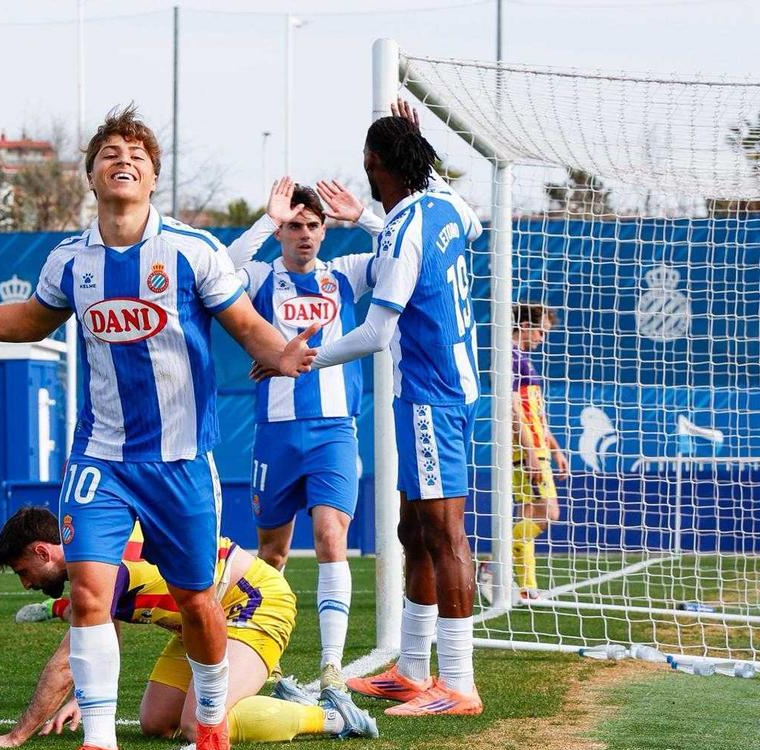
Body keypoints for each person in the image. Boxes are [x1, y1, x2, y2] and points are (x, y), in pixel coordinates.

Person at [0, 105, 316, 750]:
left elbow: (246, 326)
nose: (123, 159)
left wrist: (283, 351)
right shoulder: (71, 259)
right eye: (110, 151)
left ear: (152, 177)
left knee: (196, 603)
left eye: (137, 153)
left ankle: (213, 725)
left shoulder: (191, 251)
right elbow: (32, 318)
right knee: (90, 592)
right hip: (101, 459)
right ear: (91, 173)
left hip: (180, 462)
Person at [260, 100, 485, 716]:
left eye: (368, 165)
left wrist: (305, 357)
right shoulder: (444, 209)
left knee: (443, 534)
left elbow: (377, 334)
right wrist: (386, 198)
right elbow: (470, 228)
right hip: (443, 391)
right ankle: (412, 669)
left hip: (431, 398)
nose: (364, 177)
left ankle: (458, 683)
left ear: (378, 165)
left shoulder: (405, 228)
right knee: (412, 530)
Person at [0, 507, 378, 750]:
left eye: (23, 571)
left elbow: (69, 659)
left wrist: (17, 736)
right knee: (157, 724)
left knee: (199, 725)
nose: (26, 583)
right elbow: (102, 632)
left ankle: (330, 717)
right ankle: (282, 695)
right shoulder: (93, 550)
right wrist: (79, 698)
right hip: (194, 624)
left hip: (252, 602)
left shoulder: (104, 558)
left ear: (42, 550)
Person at [222, 178, 383, 691]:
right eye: (294, 226)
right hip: (276, 436)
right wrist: (264, 221)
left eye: (314, 225)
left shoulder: (346, 275)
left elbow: (404, 257)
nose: (306, 234)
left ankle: (332, 665)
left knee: (332, 537)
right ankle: (261, 656)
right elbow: (219, 272)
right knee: (271, 554)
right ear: (283, 232)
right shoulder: (263, 276)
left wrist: (363, 218)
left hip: (335, 431)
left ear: (324, 230)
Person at [510, 304, 567, 600]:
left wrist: (555, 449)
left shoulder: (523, 358)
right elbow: (513, 407)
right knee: (549, 511)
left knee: (530, 513)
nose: (542, 338)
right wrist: (531, 451)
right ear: (524, 325)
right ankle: (496, 559)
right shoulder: (508, 355)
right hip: (524, 449)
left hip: (537, 447)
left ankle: (526, 586)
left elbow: (536, 412)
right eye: (541, 332)